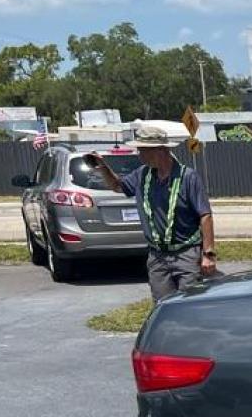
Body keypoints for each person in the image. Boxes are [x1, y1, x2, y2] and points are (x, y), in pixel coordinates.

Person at [86, 122, 216, 301]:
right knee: (162, 307)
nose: (140, 155)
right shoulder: (142, 175)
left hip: (186, 253)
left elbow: (205, 215)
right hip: (158, 256)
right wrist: (103, 167)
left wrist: (208, 254)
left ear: (161, 150)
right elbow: (118, 186)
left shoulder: (188, 177)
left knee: (190, 305)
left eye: (144, 150)